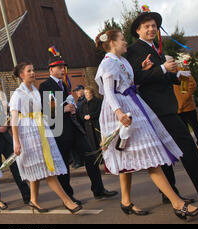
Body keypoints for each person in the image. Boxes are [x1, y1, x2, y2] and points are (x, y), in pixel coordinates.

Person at [95, 29, 198, 220]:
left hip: (134, 106)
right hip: (122, 111)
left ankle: (126, 201)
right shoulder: (108, 64)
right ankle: (177, 203)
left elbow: (128, 84)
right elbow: (109, 92)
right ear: (112, 43)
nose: (125, 42)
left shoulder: (121, 61)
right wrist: (119, 113)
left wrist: (144, 71)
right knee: (150, 158)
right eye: (122, 39)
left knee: (127, 157)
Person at [126, 9, 198, 206]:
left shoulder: (155, 48)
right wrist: (163, 68)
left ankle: (169, 195)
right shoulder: (134, 51)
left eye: (153, 26)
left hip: (166, 107)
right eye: (147, 26)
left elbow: (162, 77)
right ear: (138, 31)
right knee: (188, 148)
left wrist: (180, 76)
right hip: (156, 109)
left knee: (165, 152)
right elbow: (136, 79)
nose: (152, 29)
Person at [39, 55, 118, 203]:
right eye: (59, 67)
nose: (63, 70)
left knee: (90, 156)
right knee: (64, 166)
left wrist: (73, 108)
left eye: (64, 67)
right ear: (51, 69)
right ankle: (68, 197)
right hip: (60, 130)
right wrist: (64, 108)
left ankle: (98, 190)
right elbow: (47, 109)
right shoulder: (46, 85)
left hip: (74, 127)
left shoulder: (64, 85)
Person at [10, 62, 82, 214]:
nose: (32, 73)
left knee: (39, 168)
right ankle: (67, 201)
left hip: (41, 130)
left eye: (33, 70)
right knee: (48, 168)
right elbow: (14, 119)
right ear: (22, 75)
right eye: (29, 71)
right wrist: (16, 141)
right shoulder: (18, 94)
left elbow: (45, 109)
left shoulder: (35, 90)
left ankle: (33, 200)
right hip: (27, 133)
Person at [173, 76, 198, 152]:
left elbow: (190, 86)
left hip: (188, 107)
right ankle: (189, 147)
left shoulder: (181, 70)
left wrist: (182, 102)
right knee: (183, 130)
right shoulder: (166, 73)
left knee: (195, 126)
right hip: (176, 109)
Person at [78, 87, 103, 151]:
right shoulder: (83, 104)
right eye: (85, 93)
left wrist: (91, 116)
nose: (86, 94)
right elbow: (80, 114)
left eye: (87, 93)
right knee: (93, 144)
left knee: (100, 141)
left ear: (91, 93)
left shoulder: (98, 101)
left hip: (97, 125)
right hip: (88, 128)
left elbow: (99, 111)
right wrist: (84, 117)